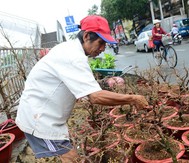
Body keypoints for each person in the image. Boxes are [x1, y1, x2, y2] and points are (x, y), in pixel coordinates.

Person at [15, 15, 149, 162]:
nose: (103, 49)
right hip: (40, 119)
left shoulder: (69, 49)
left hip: (43, 113)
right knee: (72, 158)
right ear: (86, 36)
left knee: (69, 156)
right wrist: (132, 98)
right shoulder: (73, 56)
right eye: (101, 42)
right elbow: (96, 97)